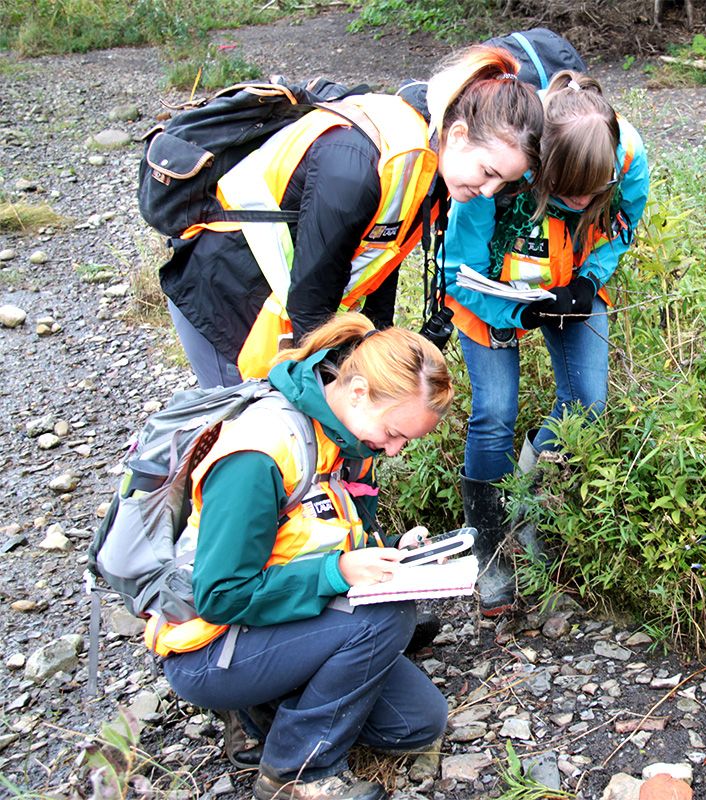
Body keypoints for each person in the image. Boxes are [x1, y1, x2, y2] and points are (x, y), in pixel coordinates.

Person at [148, 313, 454, 800]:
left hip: (269, 627)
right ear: (356, 392)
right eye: (395, 433)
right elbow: (220, 595)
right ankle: (296, 773)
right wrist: (337, 573)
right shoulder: (260, 454)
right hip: (210, 647)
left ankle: (263, 708)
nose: (395, 451)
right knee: (386, 620)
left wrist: (394, 554)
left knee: (417, 722)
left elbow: (309, 538)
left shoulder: (342, 437)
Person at [160, 47, 543, 389]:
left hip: (286, 298)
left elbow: (383, 255)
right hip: (224, 290)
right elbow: (312, 302)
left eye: (504, 182)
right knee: (249, 432)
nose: (491, 191)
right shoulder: (358, 166)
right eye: (490, 172)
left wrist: (378, 344)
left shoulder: (430, 161)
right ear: (458, 134)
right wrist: (348, 382)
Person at [440, 69, 650, 616]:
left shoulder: (625, 156)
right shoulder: (500, 170)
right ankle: (488, 551)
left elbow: (625, 221)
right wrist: (518, 310)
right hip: (493, 289)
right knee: (494, 410)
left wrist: (589, 279)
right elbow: (459, 269)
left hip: (571, 281)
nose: (581, 204)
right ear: (535, 172)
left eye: (591, 195)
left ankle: (527, 515)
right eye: (565, 195)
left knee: (587, 404)